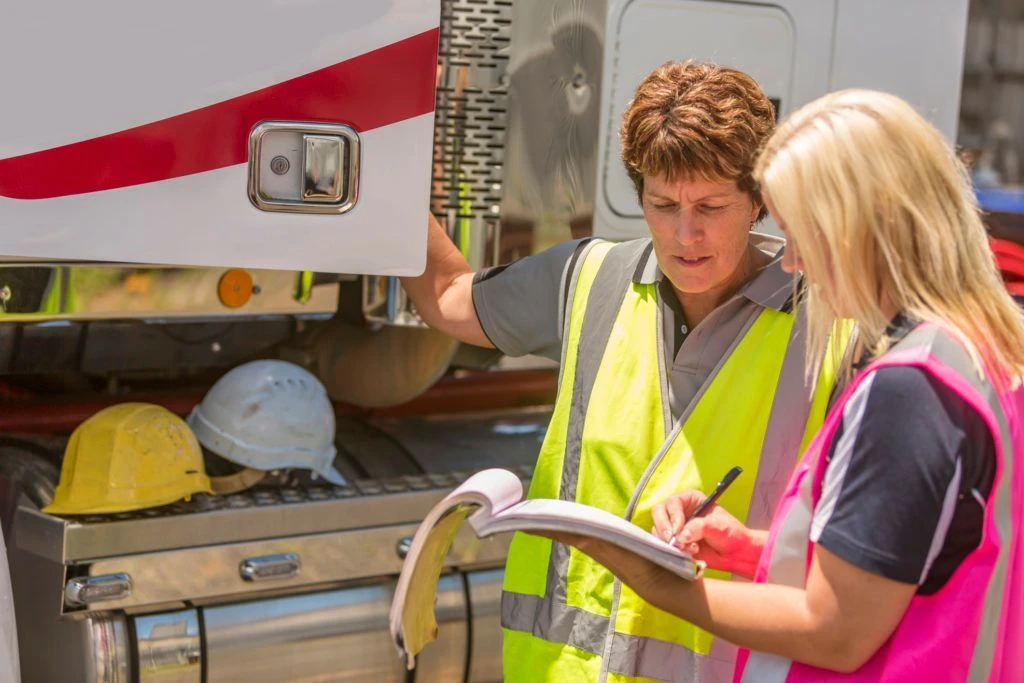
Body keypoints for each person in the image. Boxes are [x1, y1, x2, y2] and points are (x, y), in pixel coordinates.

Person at [540, 89, 1024, 681]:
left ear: (859, 226)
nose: (790, 262)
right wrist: (752, 551)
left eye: (799, 234)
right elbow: (912, 561)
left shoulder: (908, 391)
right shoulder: (980, 353)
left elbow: (837, 632)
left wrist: (651, 580)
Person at [401, 61, 845, 681]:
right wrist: (383, 184)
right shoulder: (591, 278)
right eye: (662, 205)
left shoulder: (833, 323)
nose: (684, 234)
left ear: (759, 201)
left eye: (710, 206)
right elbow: (449, 294)